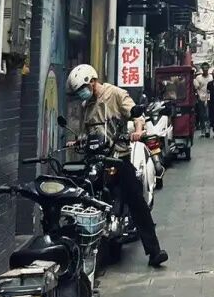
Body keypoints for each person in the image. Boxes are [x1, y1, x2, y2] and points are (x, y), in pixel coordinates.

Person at [65, 64, 168, 267]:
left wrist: (138, 130)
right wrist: (78, 141)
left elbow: (136, 115)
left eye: (82, 89)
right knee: (81, 196)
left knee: (136, 200)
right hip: (96, 160)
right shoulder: (86, 106)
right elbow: (87, 133)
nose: (81, 94)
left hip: (118, 158)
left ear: (93, 81)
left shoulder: (115, 94)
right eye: (78, 92)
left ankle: (154, 251)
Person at [194, 62, 212, 137]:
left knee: (208, 115)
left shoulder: (211, 77)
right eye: (204, 68)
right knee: (201, 115)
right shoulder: (198, 78)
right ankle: (203, 130)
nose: (205, 70)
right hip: (200, 98)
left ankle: (207, 129)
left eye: (206, 68)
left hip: (209, 98)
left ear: (208, 69)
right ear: (202, 69)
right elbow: (196, 88)